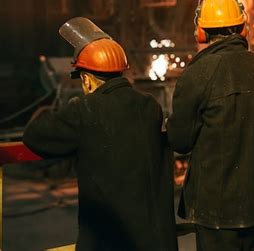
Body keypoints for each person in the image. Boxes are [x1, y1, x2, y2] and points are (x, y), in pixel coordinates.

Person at [22, 17, 177, 251]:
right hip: (151, 239)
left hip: (107, 240)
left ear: (87, 78)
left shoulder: (84, 109)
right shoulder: (149, 106)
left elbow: (34, 136)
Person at [167, 0, 254, 250]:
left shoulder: (198, 73)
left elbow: (180, 141)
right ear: (243, 28)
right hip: (252, 201)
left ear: (201, 32)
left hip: (213, 206)